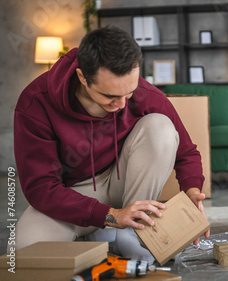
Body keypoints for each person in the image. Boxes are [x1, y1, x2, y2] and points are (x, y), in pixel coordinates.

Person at [13, 26, 209, 258]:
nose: (123, 104)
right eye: (110, 96)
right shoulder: (35, 103)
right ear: (82, 77)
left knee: (160, 126)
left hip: (125, 181)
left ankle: (132, 232)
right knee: (24, 253)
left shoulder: (144, 93)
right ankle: (103, 227)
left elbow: (186, 153)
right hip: (71, 193)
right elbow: (41, 188)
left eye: (129, 93)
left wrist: (192, 192)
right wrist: (110, 215)